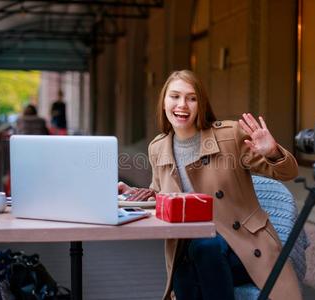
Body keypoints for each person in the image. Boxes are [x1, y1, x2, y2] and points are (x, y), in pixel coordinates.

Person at [118, 70, 301, 300]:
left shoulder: (230, 135)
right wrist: (135, 194)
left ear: (201, 104)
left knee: (203, 248)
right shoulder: (158, 147)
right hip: (196, 252)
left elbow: (288, 172)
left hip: (244, 249)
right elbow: (163, 195)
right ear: (164, 102)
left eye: (191, 98)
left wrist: (272, 151)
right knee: (186, 263)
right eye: (174, 96)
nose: (182, 105)